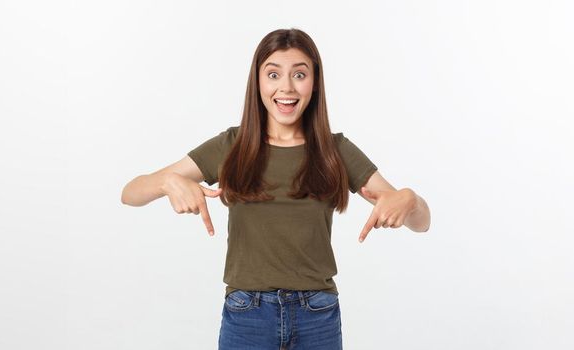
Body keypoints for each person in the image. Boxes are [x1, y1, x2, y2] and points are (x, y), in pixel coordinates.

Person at [119, 28, 431, 350]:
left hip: (318, 316)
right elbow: (130, 193)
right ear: (258, 82)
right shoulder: (231, 146)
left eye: (299, 74)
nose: (286, 87)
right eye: (273, 74)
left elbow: (421, 222)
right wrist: (167, 181)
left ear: (315, 82)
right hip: (247, 316)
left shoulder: (334, 150)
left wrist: (408, 199)